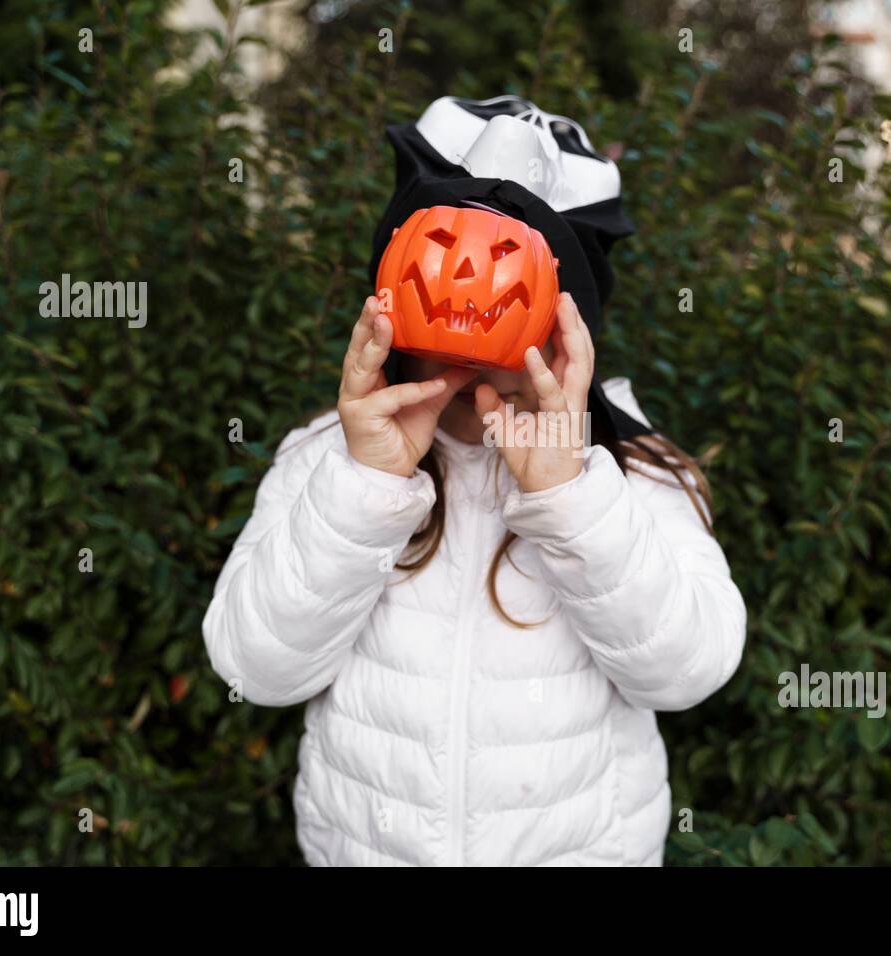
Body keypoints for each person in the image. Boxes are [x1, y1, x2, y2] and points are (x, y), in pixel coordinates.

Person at [202, 96, 747, 866]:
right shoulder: (327, 457)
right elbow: (255, 668)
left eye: (506, 272)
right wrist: (366, 485)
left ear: (571, 315)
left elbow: (687, 671)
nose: (469, 298)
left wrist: (571, 495)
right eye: (445, 252)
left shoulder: (629, 471)